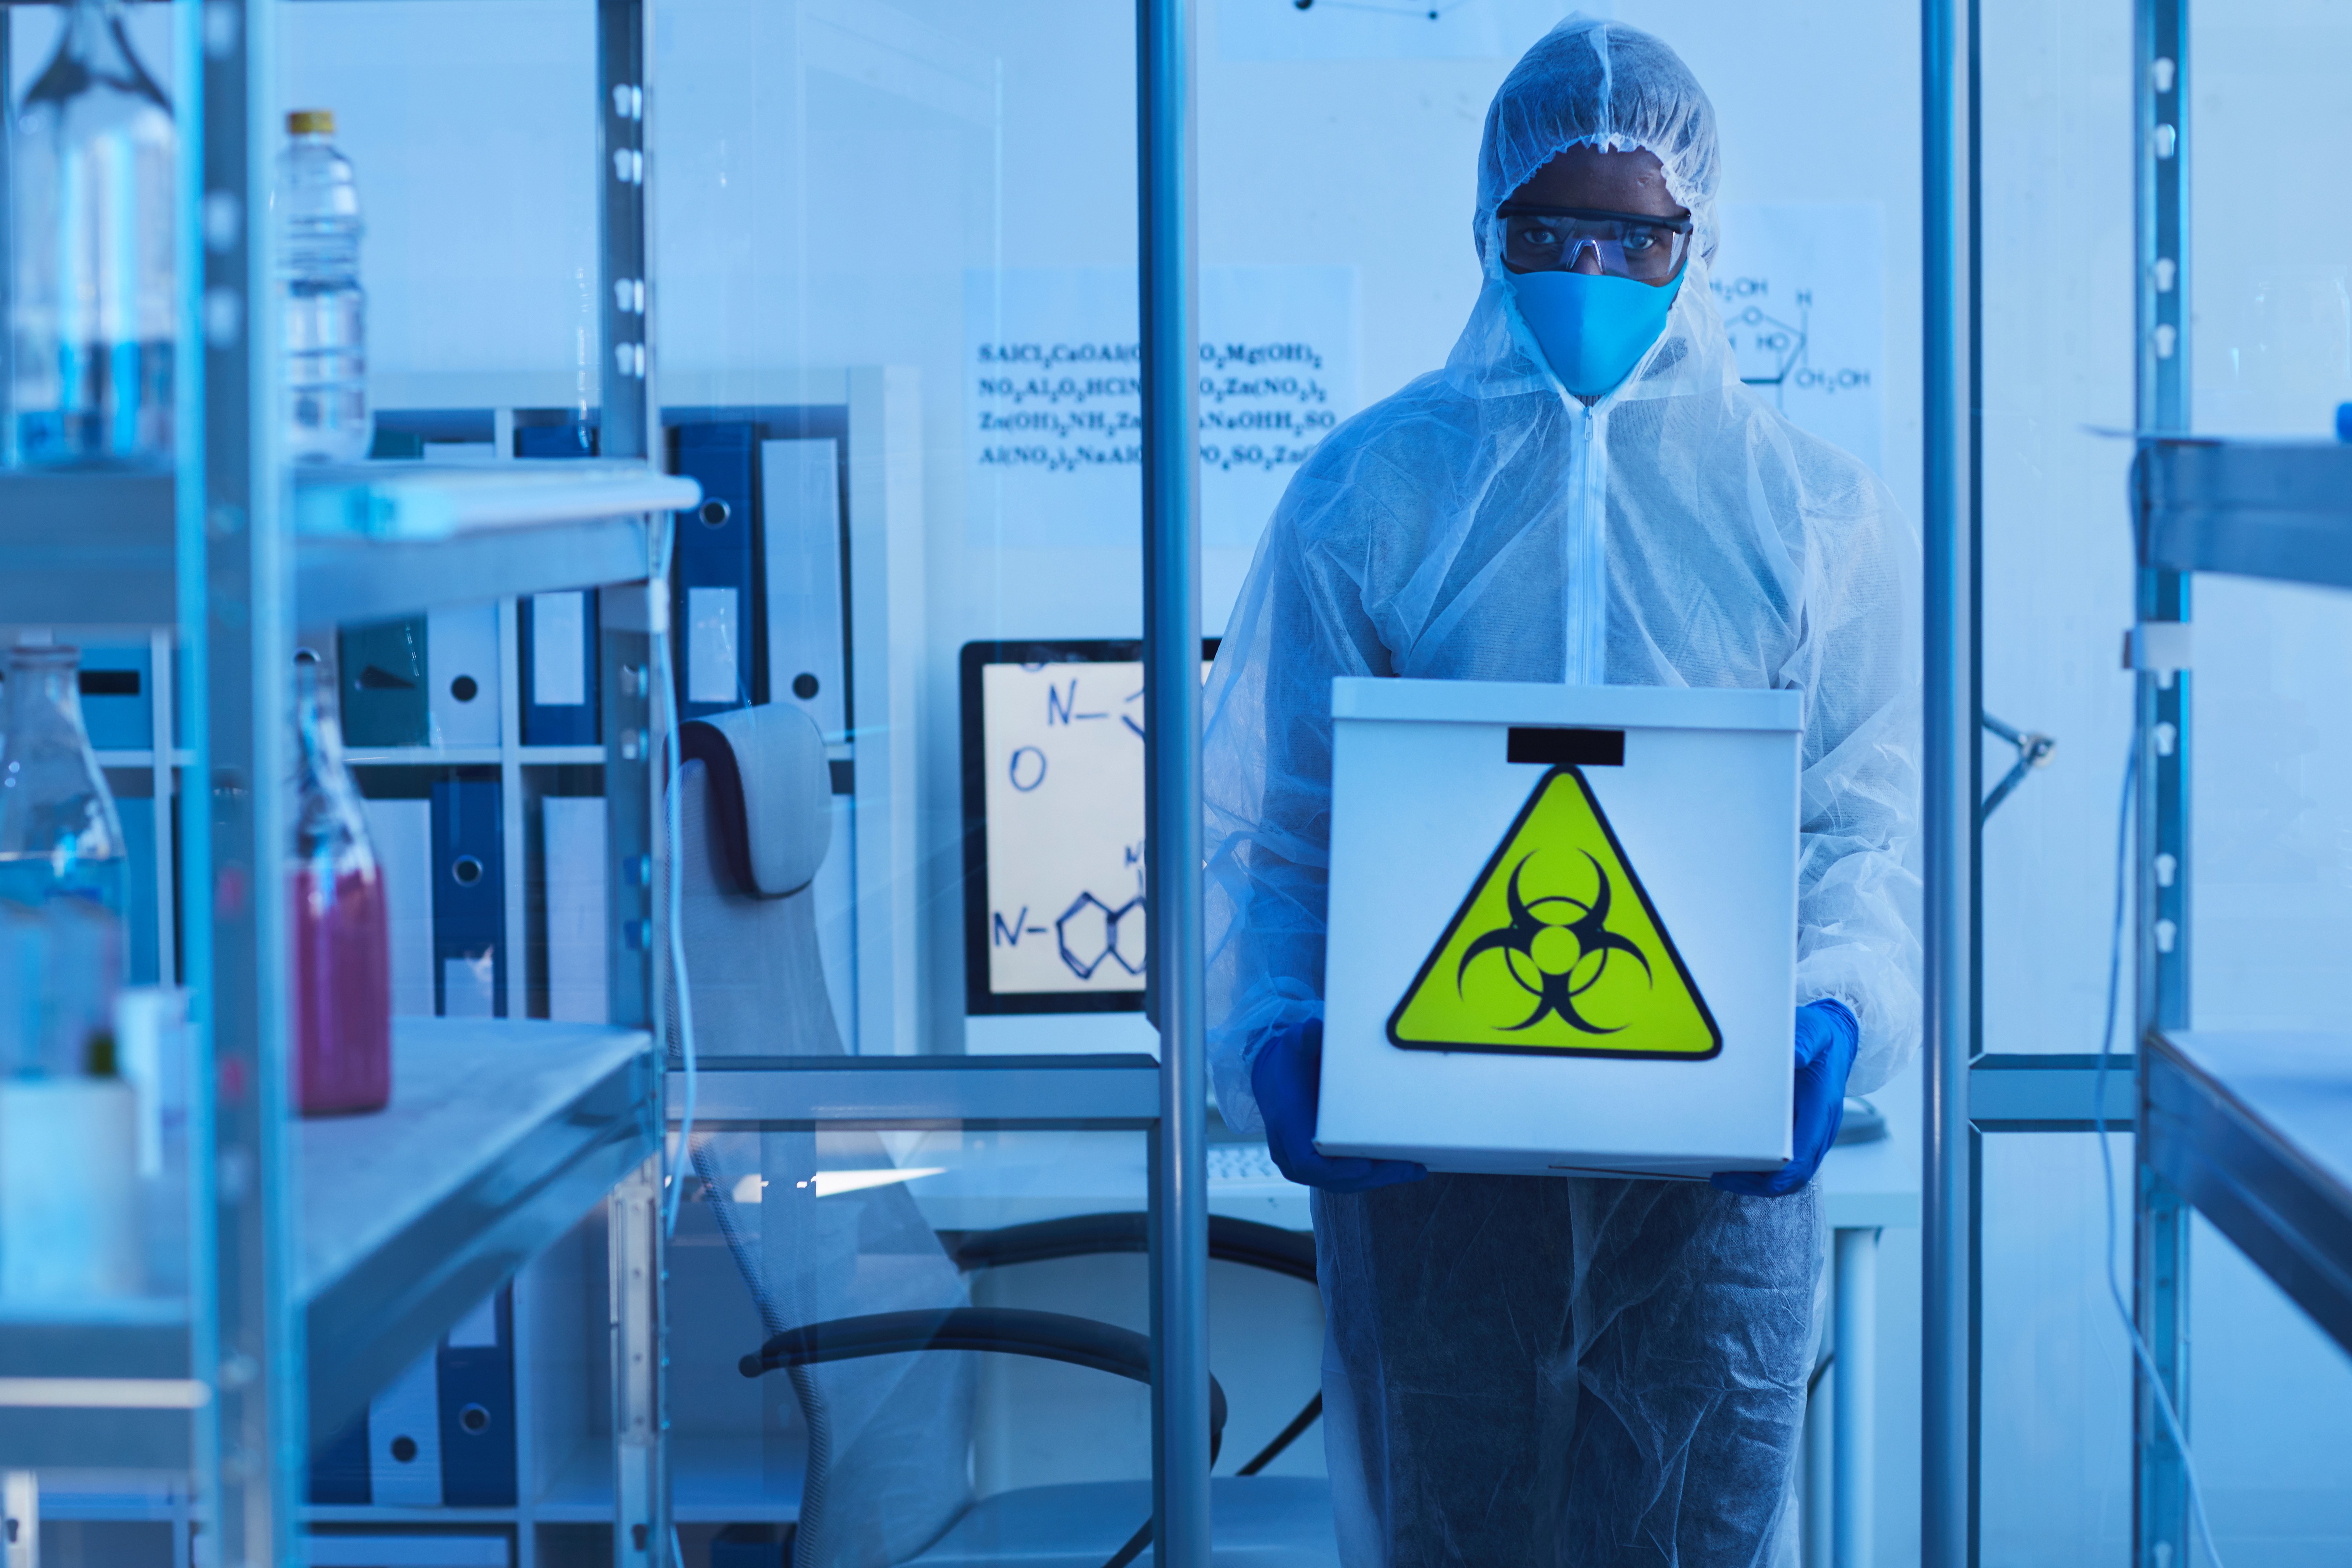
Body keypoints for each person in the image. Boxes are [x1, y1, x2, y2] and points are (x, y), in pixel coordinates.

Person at [1200, 16, 1920, 1565]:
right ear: (1486, 229)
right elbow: (1281, 831)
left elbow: (1860, 824)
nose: (1589, 272)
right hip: (1437, 1171)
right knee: (1446, 1529)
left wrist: (1831, 1008)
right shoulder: (1367, 491)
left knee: (1687, 1523)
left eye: (1632, 236)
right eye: (1552, 231)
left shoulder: (1813, 515)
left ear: (1697, 238)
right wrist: (1274, 1037)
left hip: (1709, 1181)